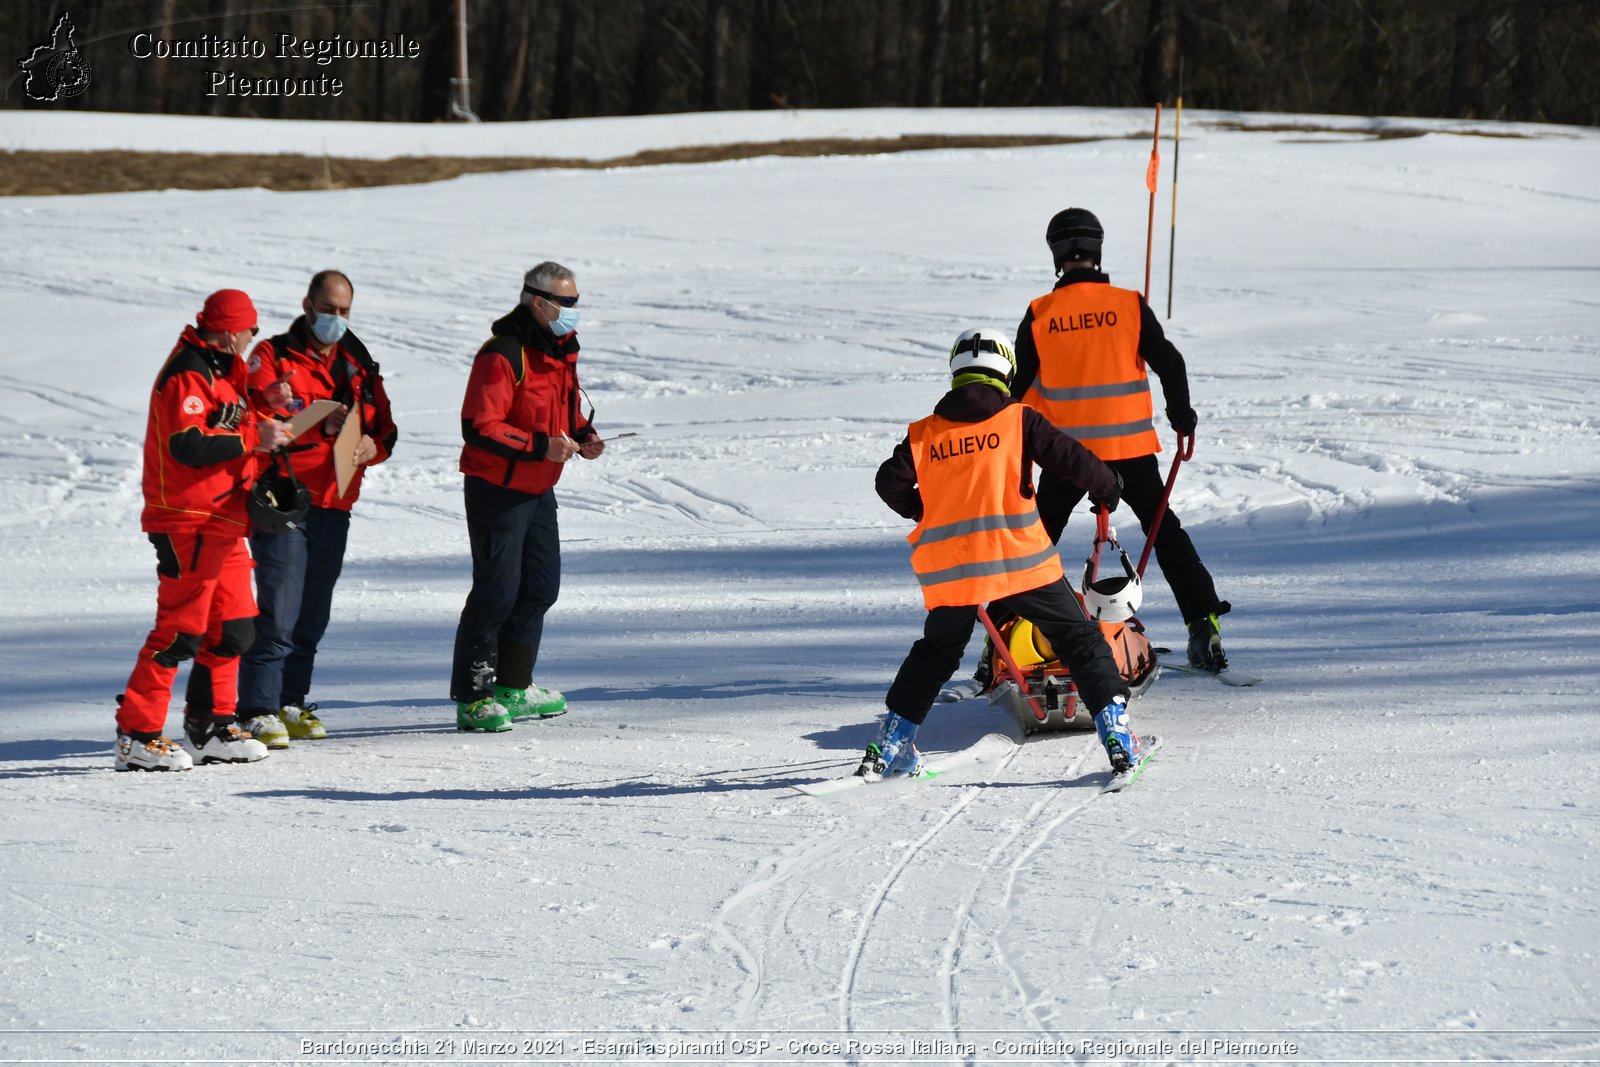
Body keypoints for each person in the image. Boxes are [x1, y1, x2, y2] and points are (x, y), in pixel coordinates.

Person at [868, 328, 1143, 779]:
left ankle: (891, 745)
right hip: (1021, 564)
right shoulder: (1018, 420)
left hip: (951, 571)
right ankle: (1116, 734)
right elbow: (1070, 459)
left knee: (936, 652)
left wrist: (925, 510)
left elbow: (887, 482)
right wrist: (1109, 486)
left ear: (956, 372)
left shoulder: (925, 434)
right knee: (1079, 639)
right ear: (1007, 372)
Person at [1012, 207, 1232, 672]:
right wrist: (1181, 416)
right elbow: (1171, 364)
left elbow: (1017, 393)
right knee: (1164, 535)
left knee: (1032, 543)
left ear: (1055, 254)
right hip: (1131, 453)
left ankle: (1002, 640)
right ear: (1098, 249)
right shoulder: (1128, 304)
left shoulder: (1040, 314)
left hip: (1067, 457)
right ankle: (1203, 626)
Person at [115, 289, 293, 771]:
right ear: (233, 329)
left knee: (235, 629)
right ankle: (137, 735)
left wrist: (263, 404)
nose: (254, 338)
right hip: (186, 519)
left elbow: (225, 421)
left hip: (223, 519)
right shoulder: (188, 370)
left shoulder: (220, 369)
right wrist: (258, 435)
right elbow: (188, 444)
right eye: (252, 329)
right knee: (179, 633)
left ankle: (210, 726)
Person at [236, 270, 398, 747]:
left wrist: (372, 446)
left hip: (336, 499)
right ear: (308, 305)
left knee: (312, 615)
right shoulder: (273, 355)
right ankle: (256, 708)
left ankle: (290, 702)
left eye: (345, 311)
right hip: (285, 499)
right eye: (329, 310)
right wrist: (306, 422)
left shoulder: (359, 363)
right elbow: (251, 419)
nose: (336, 319)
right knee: (279, 611)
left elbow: (386, 428)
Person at [449, 261, 604, 732]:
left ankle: (513, 687)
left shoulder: (559, 350)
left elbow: (563, 409)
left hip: (539, 488)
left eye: (576, 302)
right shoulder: (504, 353)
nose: (574, 312)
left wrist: (585, 434)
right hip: (497, 489)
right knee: (497, 592)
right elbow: (478, 427)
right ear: (538, 301)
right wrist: (541, 446)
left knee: (540, 587)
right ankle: (474, 697)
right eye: (567, 303)